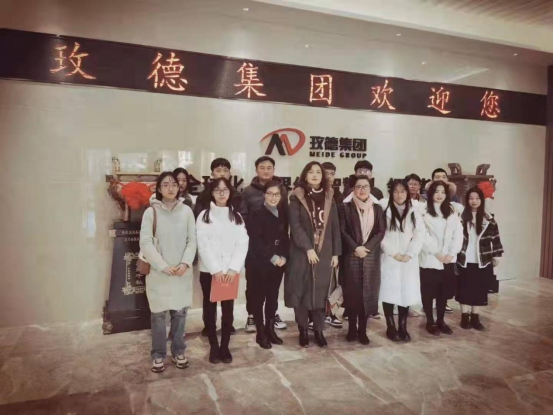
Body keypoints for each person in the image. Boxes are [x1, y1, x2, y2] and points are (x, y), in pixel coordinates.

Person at [140, 172, 197, 373]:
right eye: (165, 184)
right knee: (157, 316)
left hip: (181, 272)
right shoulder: (151, 212)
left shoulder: (187, 211)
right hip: (159, 273)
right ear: (159, 188)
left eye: (174, 184)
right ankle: (158, 354)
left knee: (180, 314)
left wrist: (185, 263)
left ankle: (179, 351)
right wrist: (163, 266)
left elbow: (192, 240)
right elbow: (146, 243)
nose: (171, 188)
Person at [285, 161, 341, 348]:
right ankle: (302, 329)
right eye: (311, 172)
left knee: (321, 292)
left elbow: (334, 227)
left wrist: (335, 253)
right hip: (302, 253)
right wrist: (308, 248)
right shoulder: (296, 197)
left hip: (325, 252)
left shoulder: (329, 196)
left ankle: (318, 330)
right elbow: (295, 226)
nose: (315, 175)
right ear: (305, 175)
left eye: (318, 172)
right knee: (301, 291)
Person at [196, 178, 249, 364]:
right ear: (211, 192)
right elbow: (203, 245)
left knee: (228, 310)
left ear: (229, 192)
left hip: (230, 272)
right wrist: (216, 269)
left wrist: (233, 268)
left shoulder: (236, 217)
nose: (221, 193)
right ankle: (213, 346)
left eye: (225, 189)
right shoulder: (203, 216)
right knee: (210, 309)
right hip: (209, 272)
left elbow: (242, 243)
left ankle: (225, 346)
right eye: (217, 190)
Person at [241, 156, 289, 333]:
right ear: (256, 169)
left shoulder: (282, 189)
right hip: (256, 249)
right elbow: (244, 218)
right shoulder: (248, 191)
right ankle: (252, 316)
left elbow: (284, 219)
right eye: (262, 167)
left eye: (269, 167)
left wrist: (283, 253)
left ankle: (271, 317)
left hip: (276, 249)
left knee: (272, 291)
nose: (266, 171)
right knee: (254, 288)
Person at [194, 158, 241, 337]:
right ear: (212, 174)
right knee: (209, 297)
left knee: (228, 296)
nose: (222, 173)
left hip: (229, 257)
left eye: (225, 170)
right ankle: (209, 326)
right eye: (218, 170)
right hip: (210, 257)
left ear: (230, 173)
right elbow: (199, 224)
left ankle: (228, 325)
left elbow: (241, 223)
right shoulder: (203, 196)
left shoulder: (237, 196)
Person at [338, 175, 385, 345]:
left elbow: (381, 231)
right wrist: (355, 247)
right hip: (351, 255)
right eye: (358, 186)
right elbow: (342, 230)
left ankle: (363, 330)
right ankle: (351, 329)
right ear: (353, 189)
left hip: (370, 256)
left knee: (367, 294)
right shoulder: (344, 207)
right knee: (352, 294)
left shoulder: (377, 208)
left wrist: (367, 248)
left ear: (370, 189)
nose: (362, 190)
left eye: (365, 186)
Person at [379, 179, 426, 342]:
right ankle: (390, 326)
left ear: (407, 193)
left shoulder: (414, 211)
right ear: (391, 193)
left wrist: (410, 253)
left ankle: (403, 326)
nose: (399, 195)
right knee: (388, 292)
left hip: (408, 259)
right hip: (390, 258)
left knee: (405, 293)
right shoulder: (383, 209)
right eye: (396, 191)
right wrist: (393, 253)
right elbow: (380, 234)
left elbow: (419, 235)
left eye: (403, 191)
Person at [419, 181, 463, 336]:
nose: (439, 195)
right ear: (430, 193)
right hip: (430, 258)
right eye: (436, 191)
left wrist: (451, 253)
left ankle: (441, 320)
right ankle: (430, 321)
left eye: (443, 192)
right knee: (428, 291)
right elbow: (422, 234)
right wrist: (436, 252)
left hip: (447, 259)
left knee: (443, 292)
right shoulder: (422, 211)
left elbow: (458, 233)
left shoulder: (451, 211)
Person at [456, 186, 504, 331]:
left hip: (482, 260)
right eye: (471, 198)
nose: (474, 201)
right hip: (464, 259)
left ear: (481, 200)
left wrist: (497, 255)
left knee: (479, 289)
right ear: (467, 200)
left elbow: (496, 238)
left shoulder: (489, 219)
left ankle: (475, 316)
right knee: (464, 288)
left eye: (477, 198)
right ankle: (465, 316)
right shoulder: (460, 218)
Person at [322, 161, 344, 328]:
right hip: (317, 247)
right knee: (319, 282)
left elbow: (339, 224)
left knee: (333, 281)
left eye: (332, 174)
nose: (329, 177)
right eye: (326, 173)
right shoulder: (313, 193)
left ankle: (332, 313)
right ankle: (318, 314)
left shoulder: (338, 195)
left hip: (333, 245)